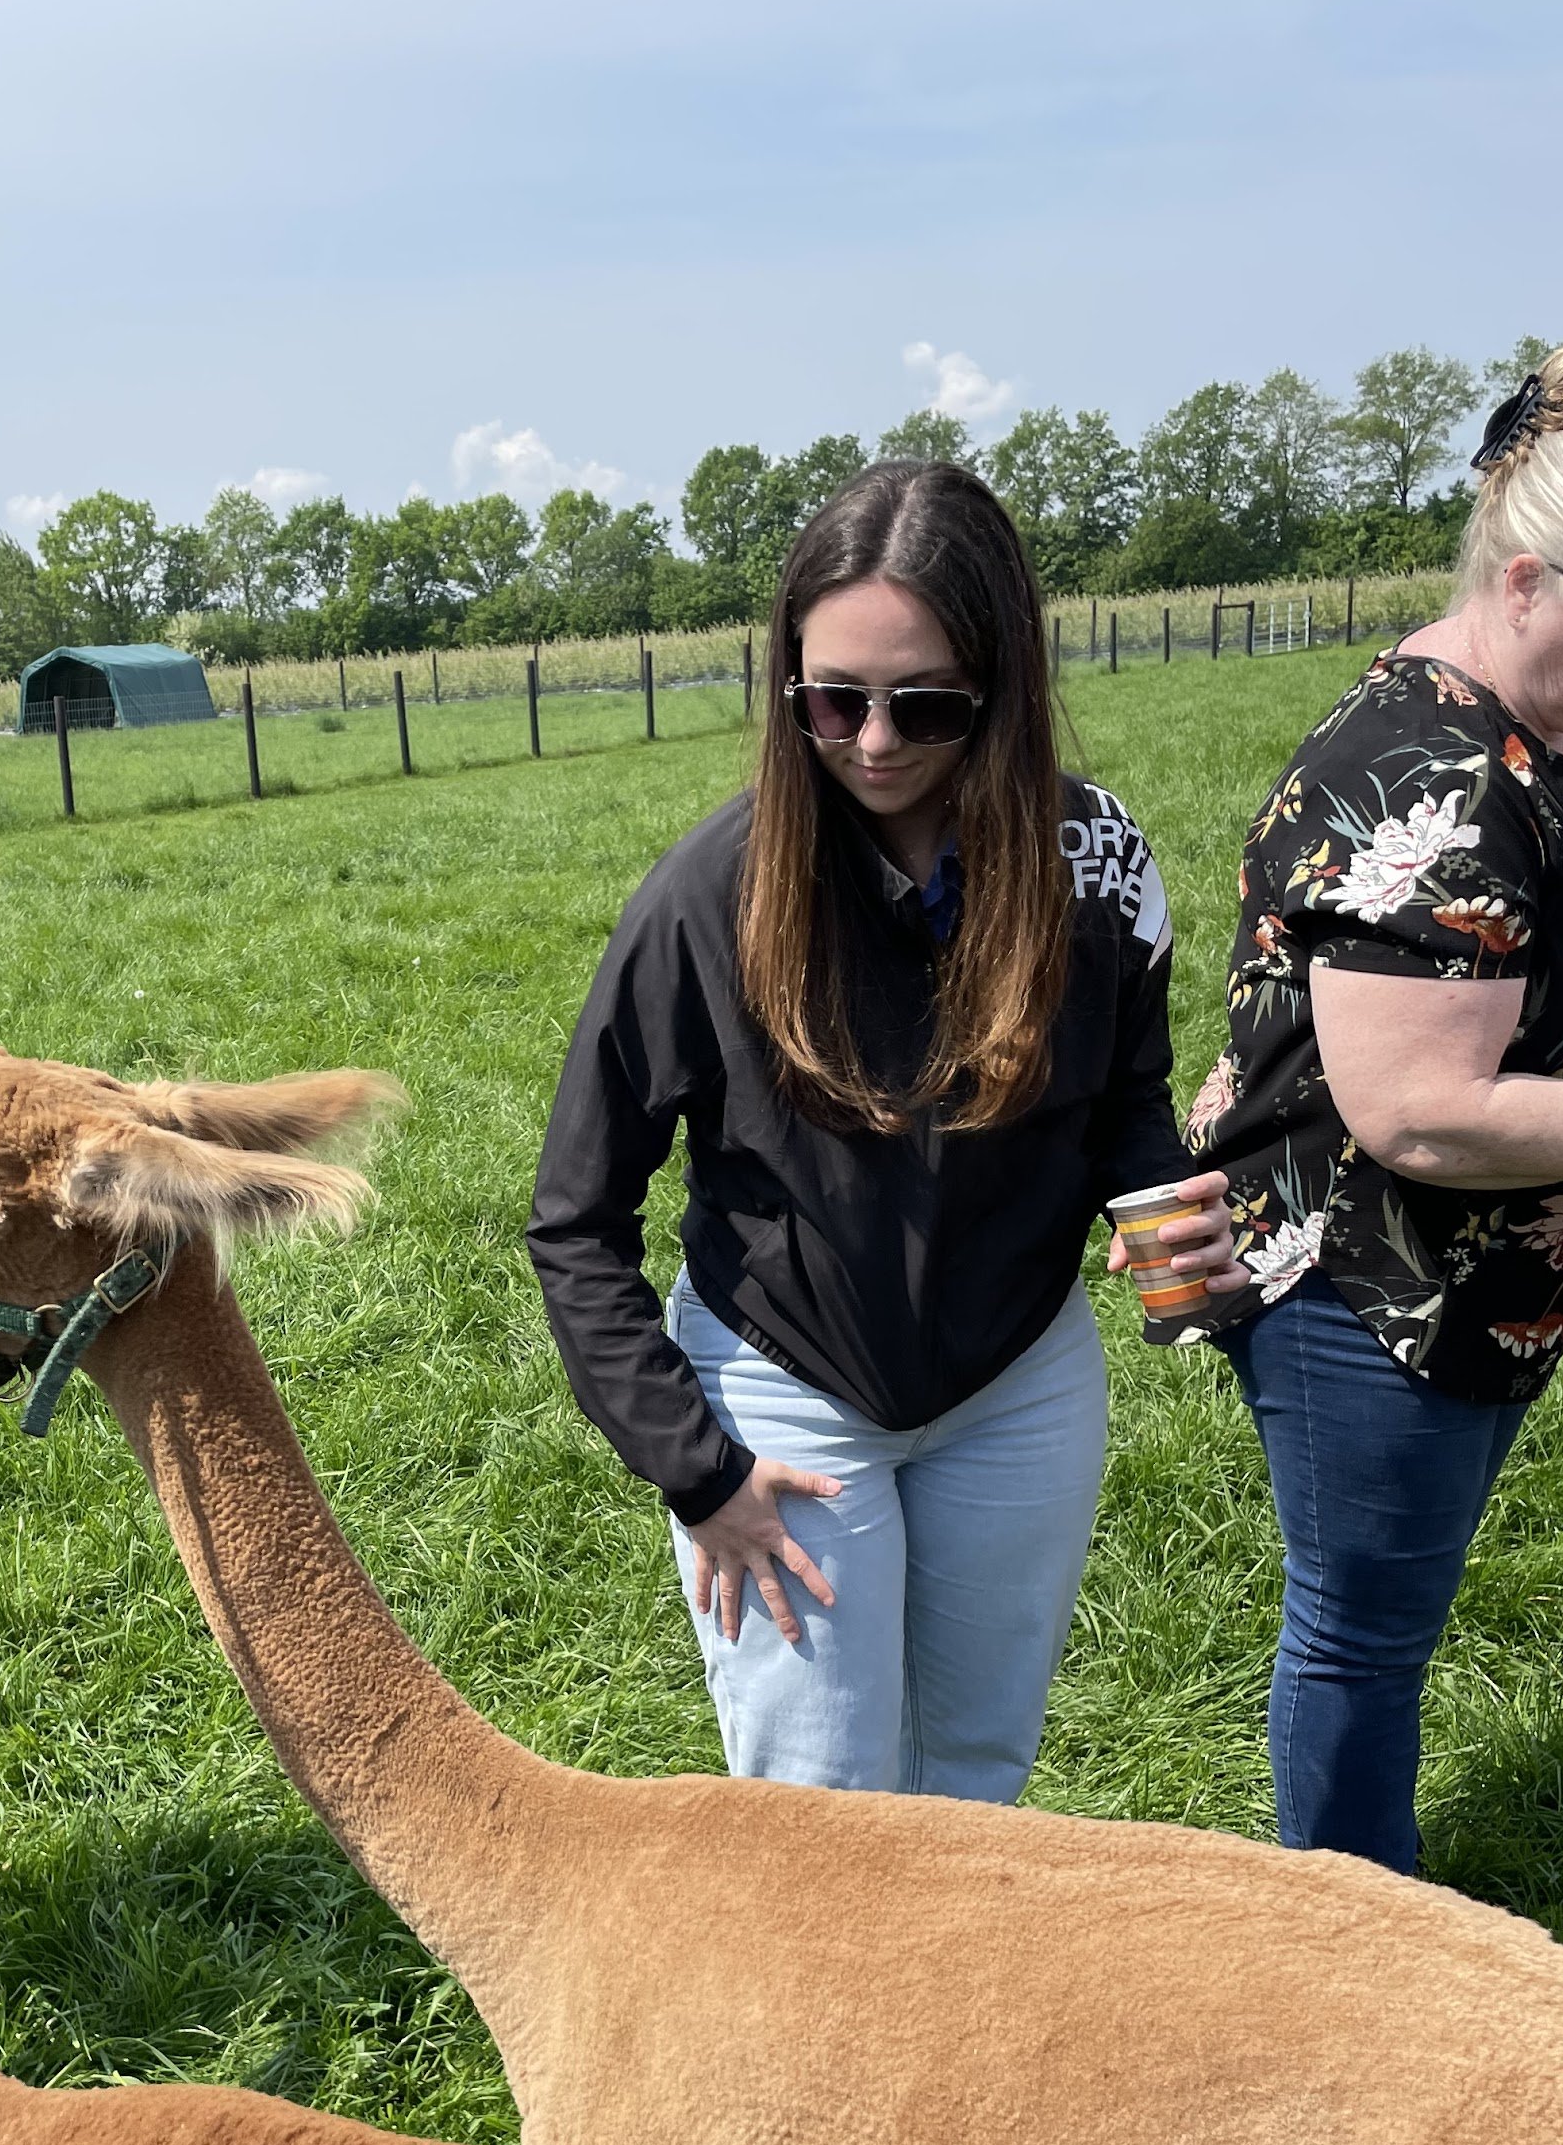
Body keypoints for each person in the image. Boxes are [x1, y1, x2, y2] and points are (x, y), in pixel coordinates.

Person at [528, 459, 1240, 1798]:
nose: (870, 741)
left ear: (1005, 688)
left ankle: (955, 2022)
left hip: (1017, 1388)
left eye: (925, 705)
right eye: (831, 699)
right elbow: (573, 1224)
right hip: (786, 1399)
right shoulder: (708, 898)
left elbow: (1125, 1106)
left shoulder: (1099, 860)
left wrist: (1179, 1237)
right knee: (819, 1803)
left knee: (979, 1774)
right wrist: (698, 1472)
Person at [1184, 341, 1563, 1874]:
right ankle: (1354, 1945)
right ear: (1523, 581)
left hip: (1500, 1265)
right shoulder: (1422, 769)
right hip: (1374, 1285)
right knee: (1365, 1634)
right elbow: (1424, 1115)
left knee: (1394, 1608)